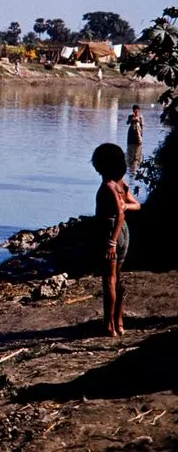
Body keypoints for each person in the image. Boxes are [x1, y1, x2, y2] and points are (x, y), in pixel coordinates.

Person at [91, 143, 141, 337]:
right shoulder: (121, 184)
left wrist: (111, 241)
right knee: (117, 278)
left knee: (109, 281)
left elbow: (119, 214)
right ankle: (118, 322)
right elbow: (136, 205)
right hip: (123, 233)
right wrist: (126, 207)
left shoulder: (108, 186)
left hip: (111, 232)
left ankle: (109, 325)